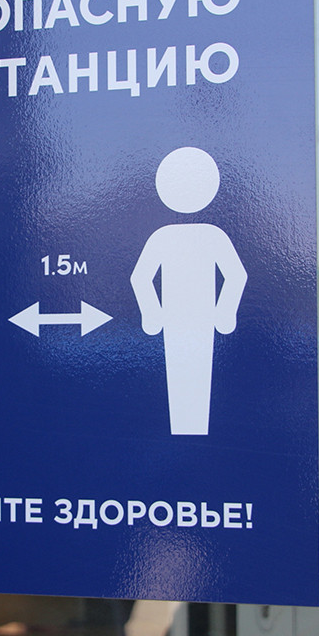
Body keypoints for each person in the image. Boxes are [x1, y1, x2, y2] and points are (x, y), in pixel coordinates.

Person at [130, 147, 247, 435]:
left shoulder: (209, 236)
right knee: (179, 373)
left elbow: (236, 275)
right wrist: (152, 314)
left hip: (198, 318)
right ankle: (185, 431)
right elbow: (140, 278)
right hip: (178, 318)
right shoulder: (168, 237)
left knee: (199, 373)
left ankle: (193, 433)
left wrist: (225, 312)